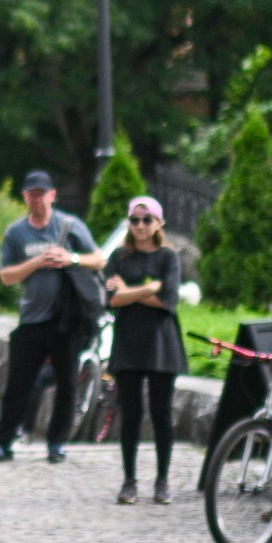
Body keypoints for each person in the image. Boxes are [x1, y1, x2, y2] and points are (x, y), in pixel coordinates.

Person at [0, 169, 105, 463]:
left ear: (52, 195)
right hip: (32, 319)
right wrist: (36, 262)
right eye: (32, 195)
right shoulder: (16, 233)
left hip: (67, 320)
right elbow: (7, 276)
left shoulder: (70, 226)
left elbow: (98, 259)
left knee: (67, 384)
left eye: (42, 194)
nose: (37, 200)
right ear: (25, 197)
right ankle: (3, 443)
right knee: (18, 384)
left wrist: (70, 258)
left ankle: (57, 444)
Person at [102, 195, 185, 504]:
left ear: (159, 223)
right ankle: (129, 481)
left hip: (162, 345)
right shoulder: (119, 258)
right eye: (135, 220)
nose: (140, 225)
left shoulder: (168, 257)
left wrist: (129, 291)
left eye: (146, 219)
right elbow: (111, 300)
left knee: (161, 414)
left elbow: (169, 301)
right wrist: (150, 287)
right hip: (128, 344)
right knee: (131, 415)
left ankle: (162, 480)